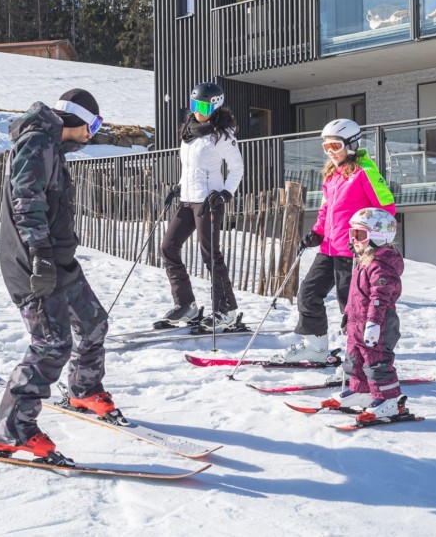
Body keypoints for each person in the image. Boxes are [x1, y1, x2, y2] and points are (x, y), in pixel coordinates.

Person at [0, 88, 117, 458]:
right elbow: (26, 200)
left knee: (93, 322)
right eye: (93, 123)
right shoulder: (37, 144)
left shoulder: (52, 147)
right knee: (52, 344)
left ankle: (84, 389)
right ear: (76, 119)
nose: (94, 132)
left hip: (57, 260)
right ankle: (11, 429)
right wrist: (41, 255)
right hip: (33, 264)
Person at [273, 118, 395, 363]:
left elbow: (387, 210)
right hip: (329, 248)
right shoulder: (332, 175)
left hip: (353, 252)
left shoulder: (366, 173)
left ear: (351, 144)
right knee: (308, 293)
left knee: (351, 307)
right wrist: (317, 232)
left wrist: (368, 240)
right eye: (326, 148)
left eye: (335, 147)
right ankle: (316, 347)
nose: (331, 153)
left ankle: (361, 359)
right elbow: (326, 209)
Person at [158, 82, 244, 331]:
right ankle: (186, 305)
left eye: (204, 106)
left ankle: (226, 311)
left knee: (210, 255)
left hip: (209, 201)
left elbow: (237, 167)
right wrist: (178, 187)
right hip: (188, 199)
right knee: (168, 247)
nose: (198, 111)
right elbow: (191, 167)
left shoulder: (222, 134)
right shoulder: (189, 132)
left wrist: (226, 193)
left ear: (215, 105)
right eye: (195, 104)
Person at [323, 207, 404, 418]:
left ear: (378, 236)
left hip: (379, 324)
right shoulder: (364, 261)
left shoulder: (381, 265)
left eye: (359, 234)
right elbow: (355, 296)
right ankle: (361, 392)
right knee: (354, 361)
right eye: (352, 234)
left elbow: (380, 298)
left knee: (376, 362)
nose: (354, 239)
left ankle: (387, 400)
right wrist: (348, 317)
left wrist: (374, 323)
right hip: (358, 324)